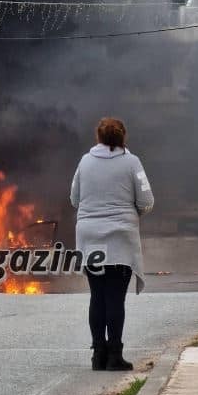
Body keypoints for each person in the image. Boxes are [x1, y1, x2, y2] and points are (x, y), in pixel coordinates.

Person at [70, 118, 154, 371]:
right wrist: (132, 214)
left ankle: (98, 355)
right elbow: (147, 200)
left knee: (97, 295)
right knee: (115, 297)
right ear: (123, 137)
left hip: (90, 239)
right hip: (121, 239)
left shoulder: (84, 162)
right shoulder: (133, 163)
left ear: (99, 137)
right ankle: (115, 355)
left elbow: (74, 197)